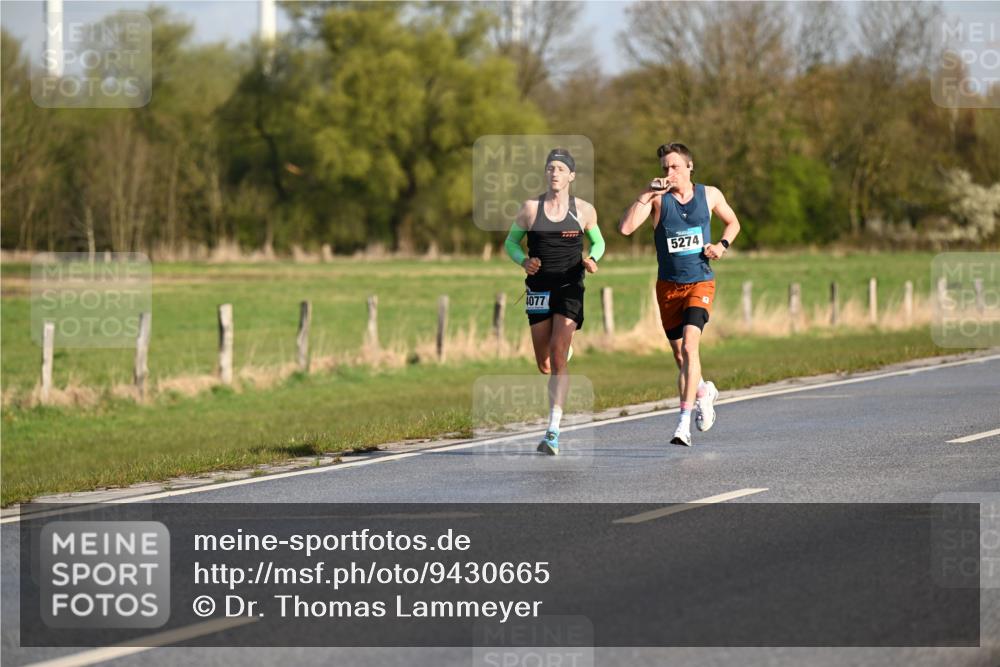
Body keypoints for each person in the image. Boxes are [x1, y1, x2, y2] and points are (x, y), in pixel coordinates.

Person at [618, 142, 741, 446]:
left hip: (700, 281)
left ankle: (683, 423)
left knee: (689, 348)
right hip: (668, 286)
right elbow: (626, 228)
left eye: (674, 166)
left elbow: (733, 222)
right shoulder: (658, 200)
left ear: (689, 166)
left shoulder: (709, 194)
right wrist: (647, 193)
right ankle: (703, 390)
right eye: (664, 168)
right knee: (679, 354)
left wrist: (721, 246)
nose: (668, 172)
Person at [504, 148, 605, 455]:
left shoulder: (584, 210)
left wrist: (592, 259)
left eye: (561, 168)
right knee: (545, 364)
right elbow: (510, 243)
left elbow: (598, 242)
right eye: (551, 168)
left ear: (571, 175)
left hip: (570, 286)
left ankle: (553, 431)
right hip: (538, 289)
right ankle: (562, 348)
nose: (555, 173)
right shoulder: (530, 209)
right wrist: (523, 261)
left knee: (557, 354)